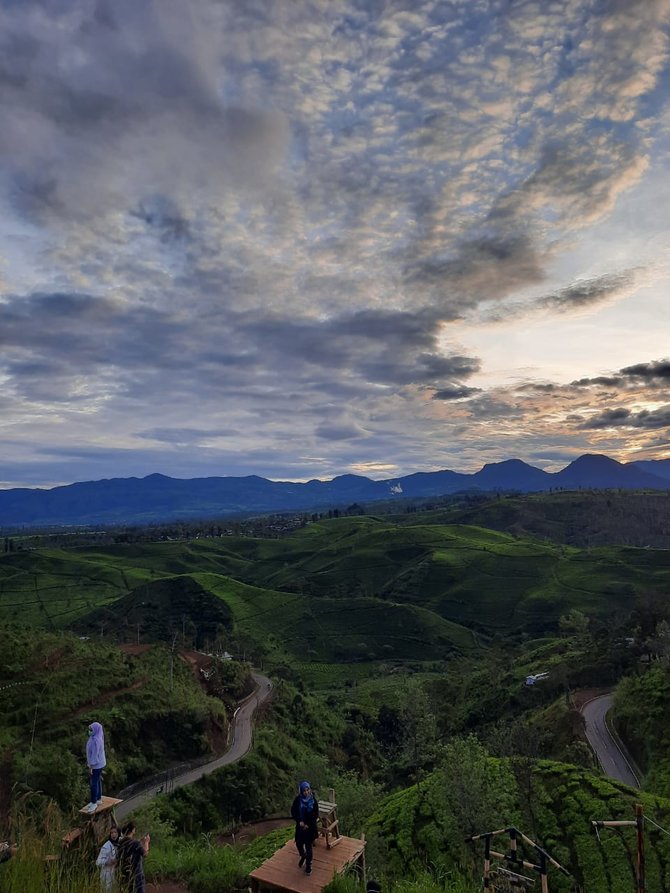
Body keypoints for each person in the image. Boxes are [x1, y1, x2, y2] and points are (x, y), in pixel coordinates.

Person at [291, 780, 319, 875]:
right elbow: (293, 812)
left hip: (310, 828)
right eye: (304, 790)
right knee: (299, 844)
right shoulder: (298, 800)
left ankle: (308, 865)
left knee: (308, 846)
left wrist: (308, 824)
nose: (306, 792)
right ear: (301, 791)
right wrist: (299, 821)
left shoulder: (313, 801)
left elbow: (316, 815)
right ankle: (303, 855)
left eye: (308, 790)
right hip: (300, 826)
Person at [117, 821, 150, 893]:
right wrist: (146, 842)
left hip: (125, 873)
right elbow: (145, 854)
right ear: (132, 830)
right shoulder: (135, 843)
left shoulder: (120, 843)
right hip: (136, 873)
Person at [85, 721, 107, 813]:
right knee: (97, 780)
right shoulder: (96, 737)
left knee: (93, 783)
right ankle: (98, 799)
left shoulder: (95, 741)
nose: (90, 731)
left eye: (91, 729)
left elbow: (94, 755)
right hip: (100, 764)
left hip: (96, 765)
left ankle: (94, 803)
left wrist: (91, 766)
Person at [96, 825, 120, 892]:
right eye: (111, 833)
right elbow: (98, 862)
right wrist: (107, 861)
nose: (113, 834)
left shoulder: (120, 844)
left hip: (116, 875)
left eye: (115, 832)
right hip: (107, 875)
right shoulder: (107, 845)